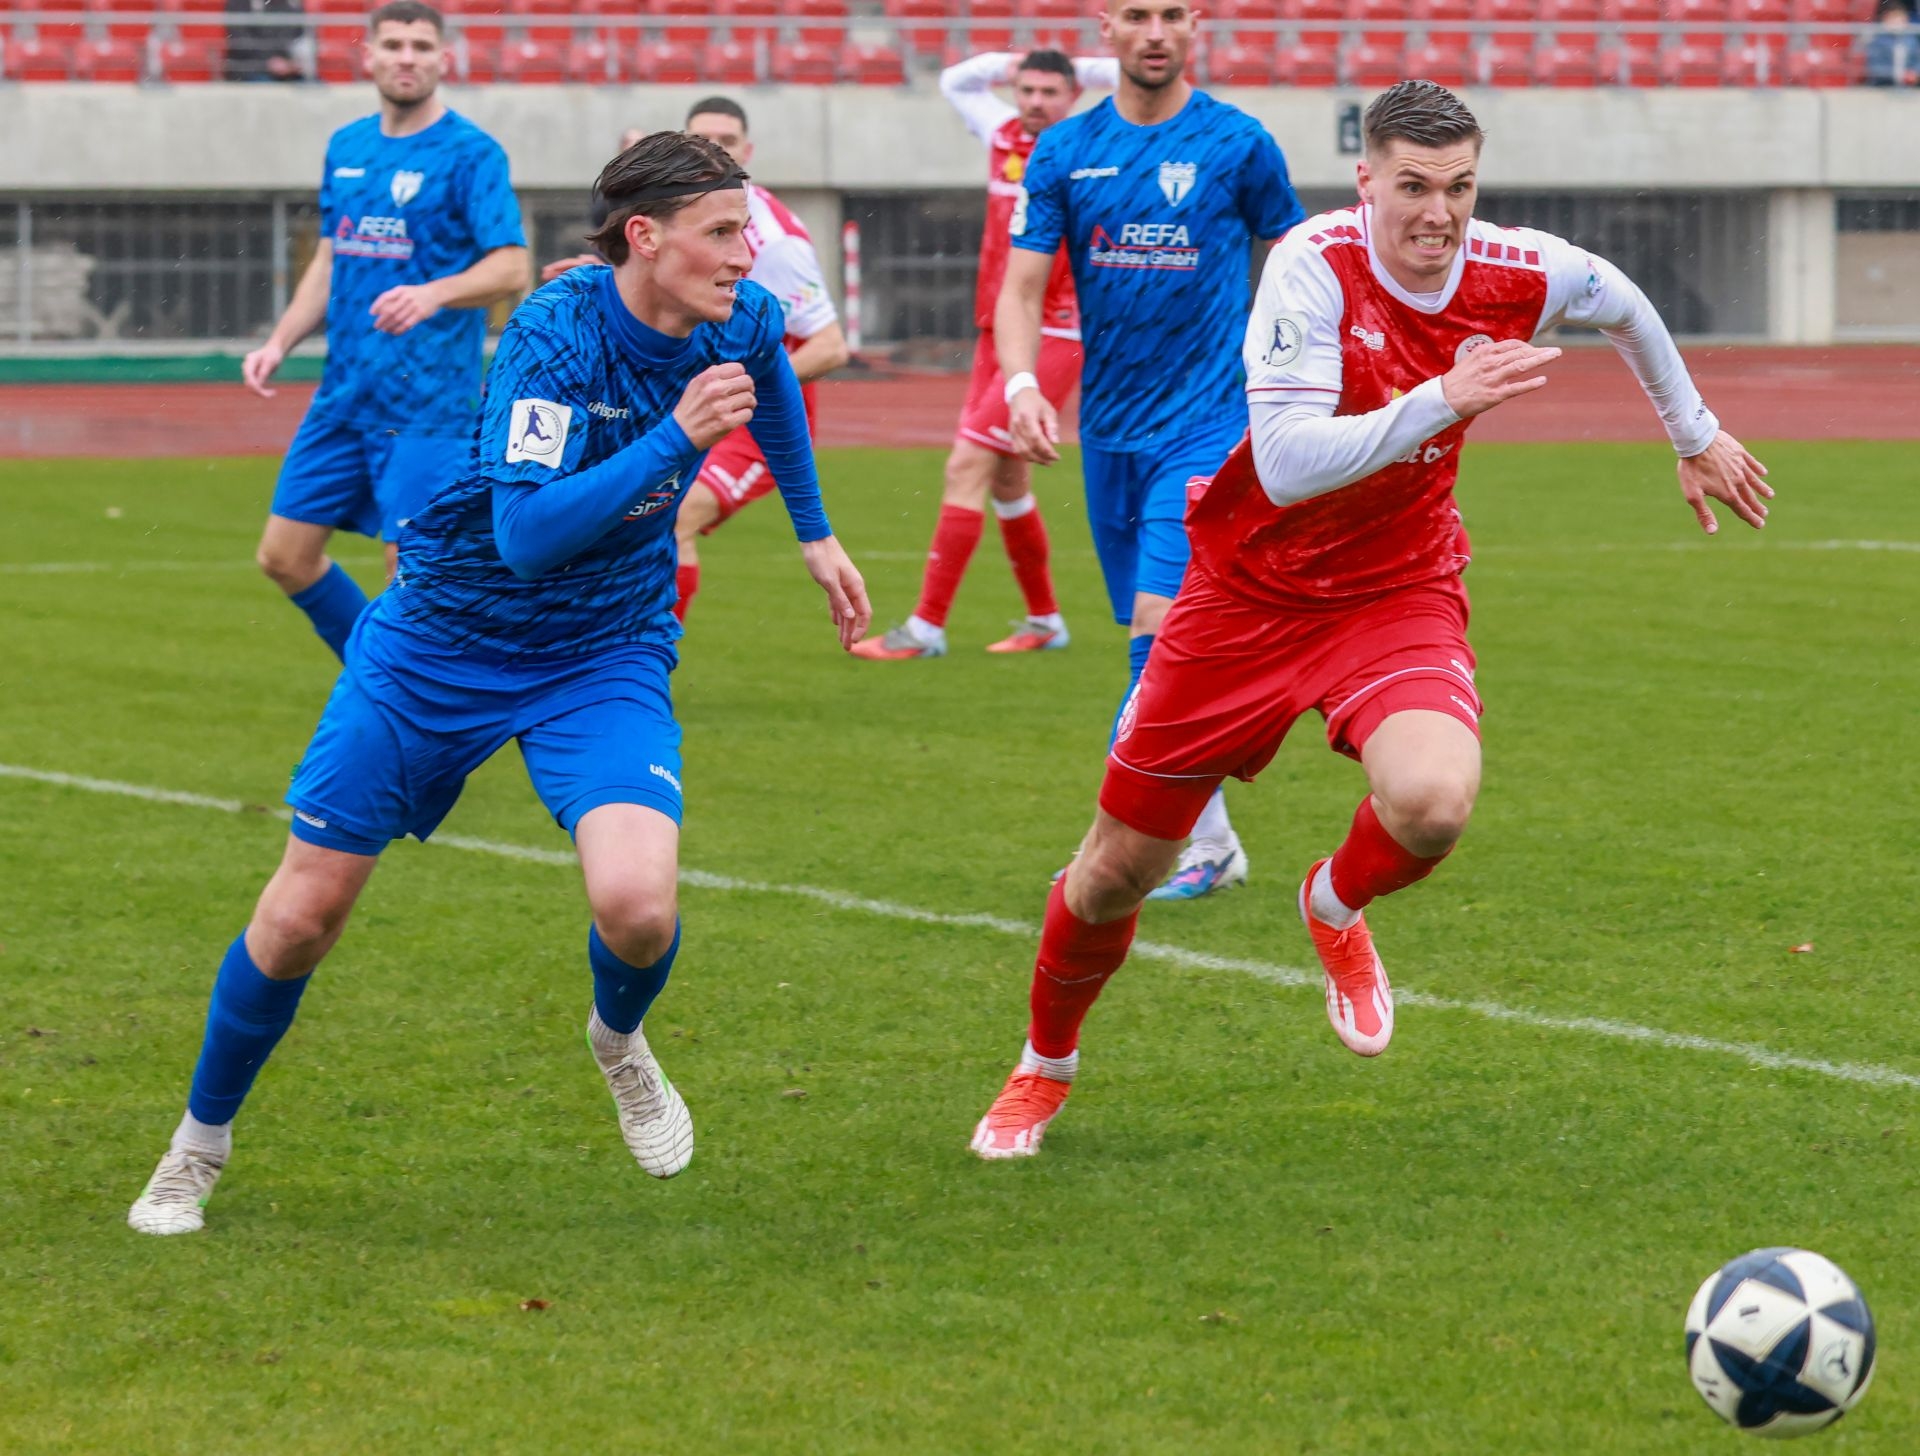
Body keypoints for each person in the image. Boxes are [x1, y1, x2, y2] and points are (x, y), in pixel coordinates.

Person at [967, 79, 1773, 1160]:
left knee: (1435, 802)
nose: (1439, 213)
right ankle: (1044, 1064)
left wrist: (1694, 430)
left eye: (1460, 187)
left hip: (1397, 587)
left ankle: (1334, 902)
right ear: (1367, 181)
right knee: (1116, 870)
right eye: (1414, 187)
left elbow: (1620, 299)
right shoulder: (1314, 262)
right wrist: (1445, 398)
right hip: (1247, 595)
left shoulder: (1514, 266)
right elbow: (1289, 463)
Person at [127, 132, 871, 1235]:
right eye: (722, 233)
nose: (745, 253)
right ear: (644, 237)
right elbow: (525, 537)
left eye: (746, 230)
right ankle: (198, 1143)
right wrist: (674, 440)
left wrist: (816, 533)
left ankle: (617, 1039)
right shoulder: (554, 332)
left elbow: (770, 391)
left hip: (603, 650)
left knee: (639, 907)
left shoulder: (744, 315)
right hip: (442, 640)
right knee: (298, 918)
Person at [993, 0, 1304, 899]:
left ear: (1196, 24)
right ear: (1108, 28)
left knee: (1155, 631)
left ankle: (1125, 845)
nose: (1157, 31)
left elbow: (1297, 259)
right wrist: (1022, 386)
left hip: (1208, 425)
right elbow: (1021, 288)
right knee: (1165, 651)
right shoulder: (1064, 149)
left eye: (1173, 14)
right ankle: (1215, 840)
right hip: (1109, 433)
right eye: (1139, 14)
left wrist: (1290, 371)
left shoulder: (1238, 142)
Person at [242, 1, 527, 662]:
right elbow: (331, 256)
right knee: (284, 556)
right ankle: (380, 676)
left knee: (414, 579)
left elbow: (511, 265)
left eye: (421, 47)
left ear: (443, 60)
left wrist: (433, 293)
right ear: (367, 55)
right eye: (393, 44)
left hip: (429, 405)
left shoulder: (471, 153)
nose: (407, 58)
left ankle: (412, 697)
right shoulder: (347, 146)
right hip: (344, 398)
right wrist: (279, 341)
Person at [852, 48, 1115, 661]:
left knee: (965, 465)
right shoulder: (1002, 135)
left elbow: (1132, 78)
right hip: (996, 328)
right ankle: (1045, 620)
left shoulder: (1092, 148)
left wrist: (1078, 67)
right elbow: (956, 80)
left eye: (1051, 91)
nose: (1035, 102)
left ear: (1074, 96)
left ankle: (926, 628)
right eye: (1027, 89)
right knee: (1007, 477)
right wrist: (1026, 60)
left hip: (1055, 331)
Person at [672, 96, 850, 622]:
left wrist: (745, 385)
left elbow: (830, 345)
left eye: (725, 142)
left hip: (754, 427)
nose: (712, 151)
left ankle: (652, 660)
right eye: (700, 140)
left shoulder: (772, 242)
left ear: (746, 152)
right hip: (690, 405)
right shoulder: (678, 217)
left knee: (673, 520)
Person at [1866, 0, 1920, 86]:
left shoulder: (1911, 40)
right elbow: (1875, 67)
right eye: (1893, 18)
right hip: (1883, 86)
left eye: (1900, 18)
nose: (1897, 22)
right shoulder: (1877, 42)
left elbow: (1917, 60)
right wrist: (1899, 75)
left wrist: (1914, 73)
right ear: (1884, 20)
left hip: (1909, 86)